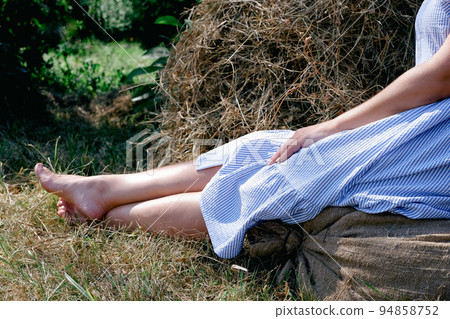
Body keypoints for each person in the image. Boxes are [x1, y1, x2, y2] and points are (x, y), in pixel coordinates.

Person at [35, 0, 450, 259]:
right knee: (260, 149)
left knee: (283, 180)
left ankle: (107, 218)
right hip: (420, 123)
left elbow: (441, 74)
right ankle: (103, 190)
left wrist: (330, 127)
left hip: (438, 141)